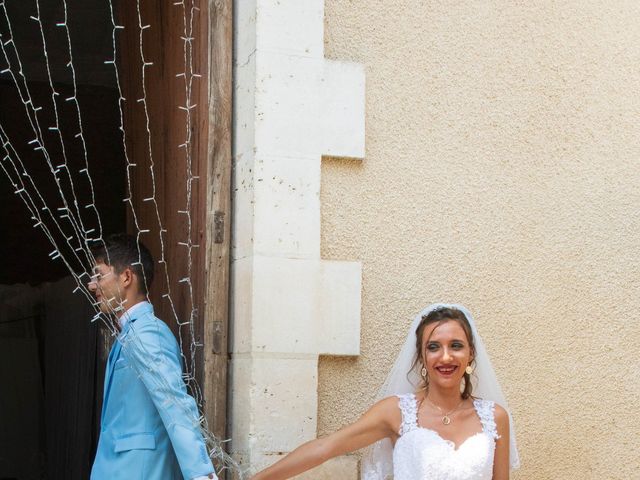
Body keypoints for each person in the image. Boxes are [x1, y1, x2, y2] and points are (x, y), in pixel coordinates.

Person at [250, 303, 520, 480]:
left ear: (471, 354)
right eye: (434, 347)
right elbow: (326, 447)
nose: (445, 357)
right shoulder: (397, 412)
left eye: (456, 345)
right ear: (422, 357)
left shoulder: (494, 417)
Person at [87, 233, 217, 480]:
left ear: (126, 276)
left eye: (99, 274)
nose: (92, 285)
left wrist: (201, 474)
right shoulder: (128, 333)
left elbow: (174, 402)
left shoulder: (149, 332)